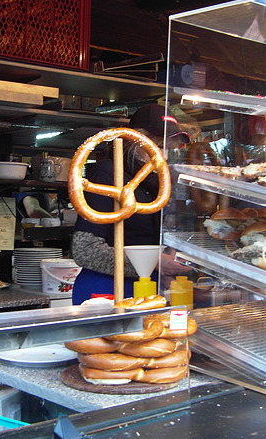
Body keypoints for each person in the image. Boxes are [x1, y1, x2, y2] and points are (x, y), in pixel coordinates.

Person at [71, 104, 192, 304]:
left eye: (169, 149)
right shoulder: (107, 174)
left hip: (146, 287)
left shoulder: (155, 182)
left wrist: (166, 259)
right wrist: (153, 263)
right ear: (135, 141)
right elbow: (85, 251)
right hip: (105, 290)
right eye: (157, 146)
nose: (164, 156)